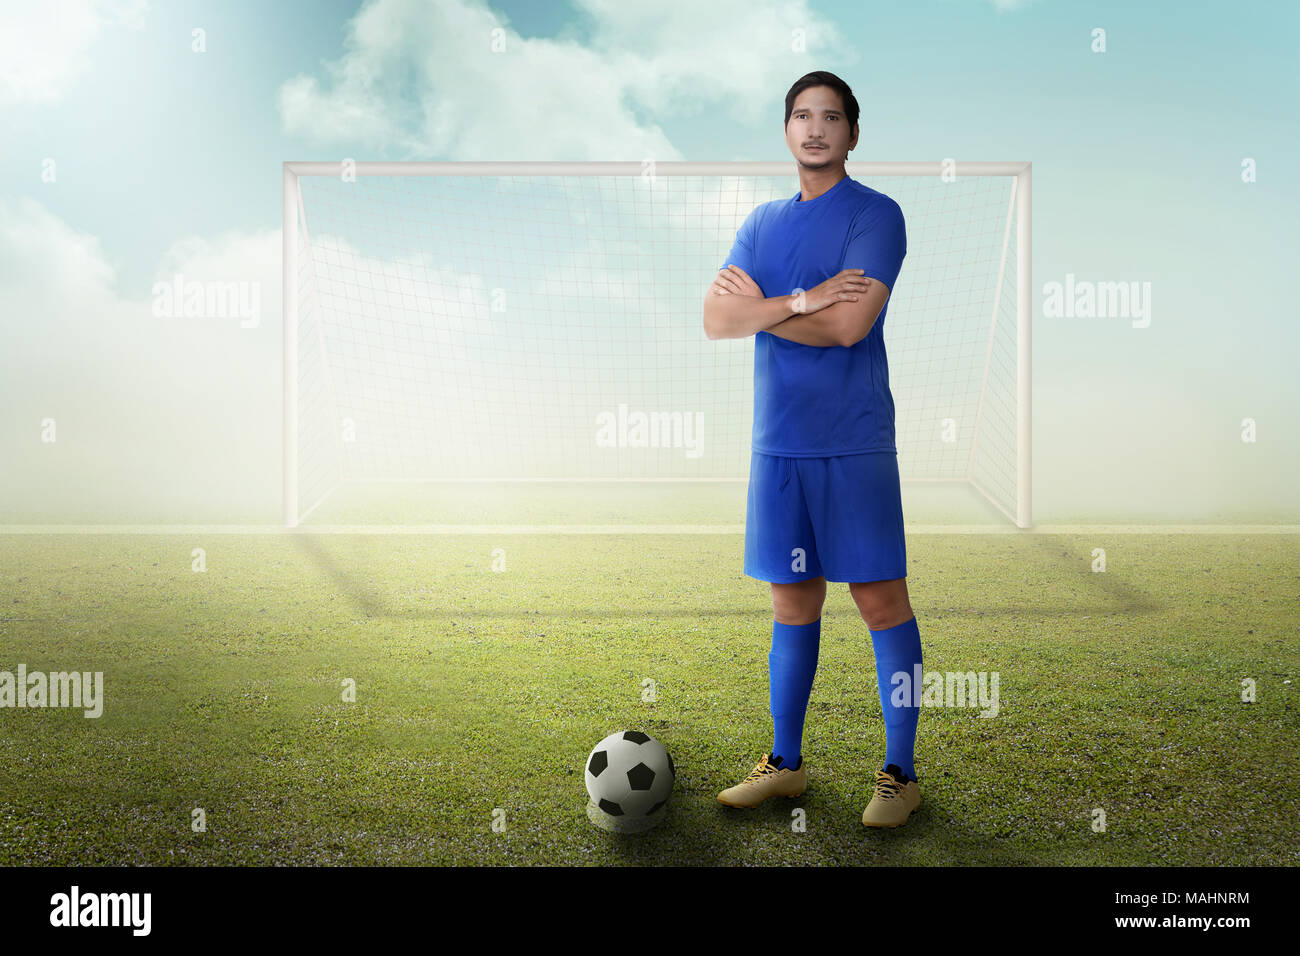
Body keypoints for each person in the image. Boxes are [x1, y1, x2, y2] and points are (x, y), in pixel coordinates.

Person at [702, 70, 921, 828]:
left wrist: (758, 312)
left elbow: (848, 328)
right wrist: (799, 300)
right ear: (787, 130)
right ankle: (786, 765)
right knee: (791, 602)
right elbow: (714, 319)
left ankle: (901, 774)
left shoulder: (876, 216)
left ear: (853, 134)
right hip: (779, 446)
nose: (816, 128)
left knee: (879, 599)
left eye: (832, 116)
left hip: (854, 443)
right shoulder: (762, 223)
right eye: (802, 115)